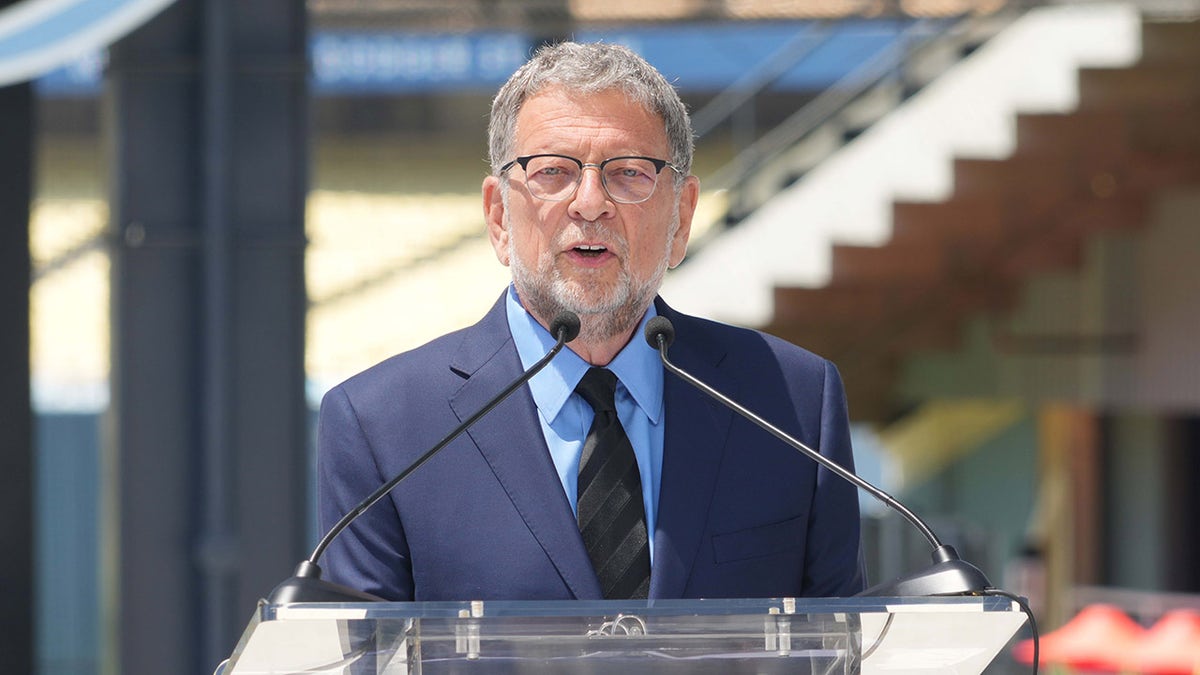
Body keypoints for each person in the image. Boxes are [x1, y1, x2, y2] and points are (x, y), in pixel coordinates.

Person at [317, 41, 866, 601]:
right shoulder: (382, 425)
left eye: (629, 173)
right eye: (552, 172)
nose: (589, 203)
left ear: (681, 217)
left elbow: (845, 646)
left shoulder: (793, 402)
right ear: (499, 216)